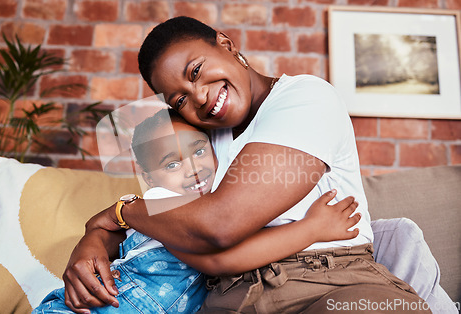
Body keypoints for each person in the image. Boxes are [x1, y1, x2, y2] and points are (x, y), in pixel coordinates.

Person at [61, 16, 435, 313]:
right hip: (228, 298)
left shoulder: (305, 98)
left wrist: (119, 213)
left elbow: (218, 225)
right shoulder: (199, 138)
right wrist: (94, 238)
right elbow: (163, 222)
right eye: (180, 99)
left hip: (331, 283)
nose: (202, 97)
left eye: (196, 71)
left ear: (225, 43)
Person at [34, 108, 362, 313]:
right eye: (172, 163)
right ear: (149, 178)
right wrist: (311, 229)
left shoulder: (222, 205)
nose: (193, 168)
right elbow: (225, 257)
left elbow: (105, 224)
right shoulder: (165, 202)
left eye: (200, 150)